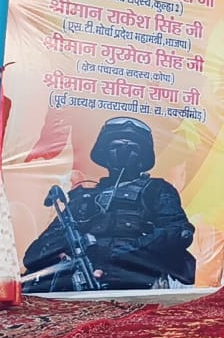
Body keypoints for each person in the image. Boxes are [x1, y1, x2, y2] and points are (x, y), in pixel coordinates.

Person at [22, 117, 196, 293]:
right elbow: (35, 253)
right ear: (104, 153)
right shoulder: (83, 198)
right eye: (116, 146)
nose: (123, 151)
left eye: (132, 147)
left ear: (142, 156)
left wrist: (116, 254)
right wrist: (64, 253)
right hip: (78, 291)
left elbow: (179, 233)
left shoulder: (156, 190)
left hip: (138, 287)